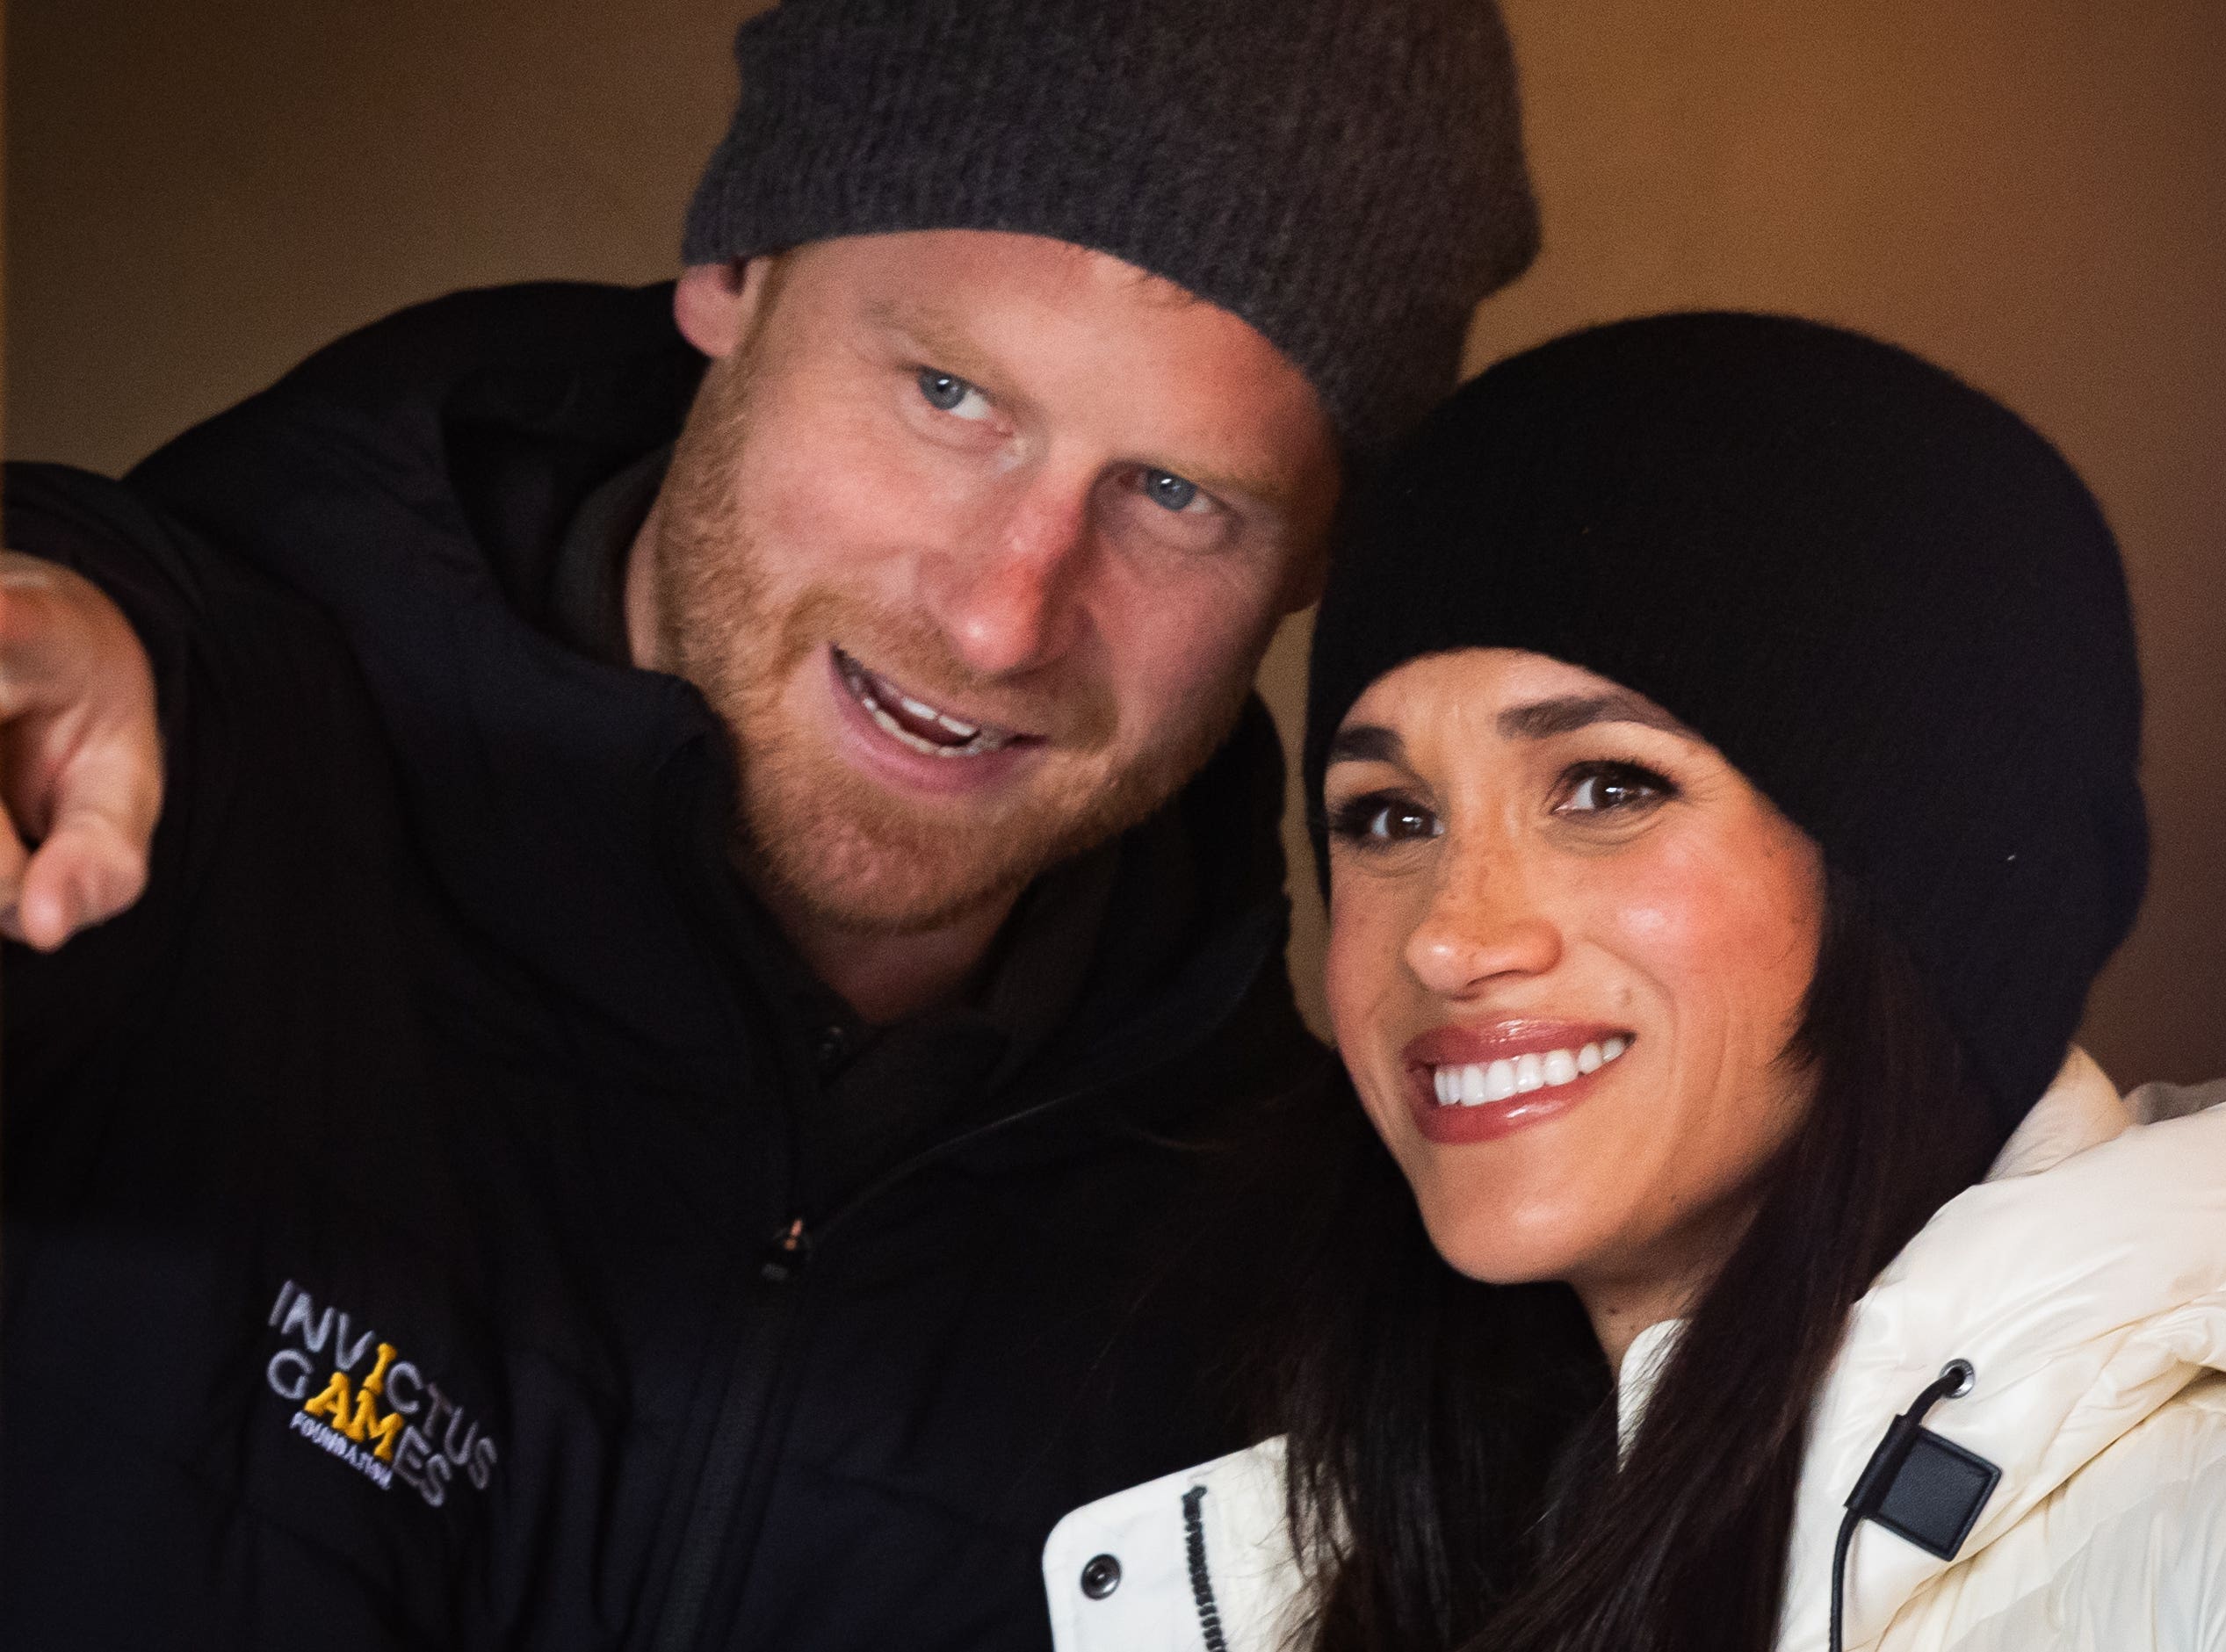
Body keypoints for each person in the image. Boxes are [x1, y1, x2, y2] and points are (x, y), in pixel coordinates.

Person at [0, 2, 1539, 1646]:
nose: (1004, 612)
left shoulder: (1302, 1296)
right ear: (732, 270)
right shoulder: (130, 807)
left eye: (1178, 496)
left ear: (1313, 557)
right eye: (950, 393)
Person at [1041, 314, 2226, 1652]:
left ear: (1922, 883)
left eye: (1604, 785)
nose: (1445, 936)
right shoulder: (1343, 1510)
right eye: (1389, 814)